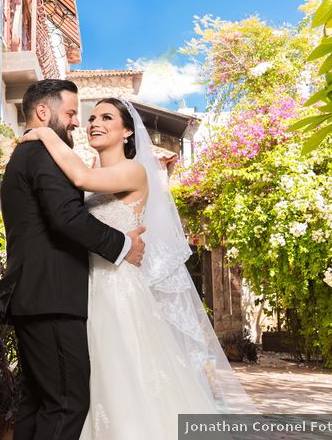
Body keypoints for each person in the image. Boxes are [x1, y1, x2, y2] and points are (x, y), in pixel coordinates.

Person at [19, 97, 255, 439]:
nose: (94, 123)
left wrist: (43, 133)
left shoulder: (133, 170)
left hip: (119, 292)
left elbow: (81, 176)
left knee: (124, 377)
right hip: (85, 290)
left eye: (106, 117)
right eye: (92, 117)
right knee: (86, 384)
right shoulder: (94, 176)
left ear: (127, 131)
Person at [0, 80, 147, 440]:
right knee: (65, 404)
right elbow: (68, 219)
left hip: (47, 295)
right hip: (53, 298)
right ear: (44, 113)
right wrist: (122, 244)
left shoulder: (33, 152)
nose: (79, 122)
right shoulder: (43, 153)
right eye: (73, 113)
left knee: (39, 402)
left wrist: (44, 136)